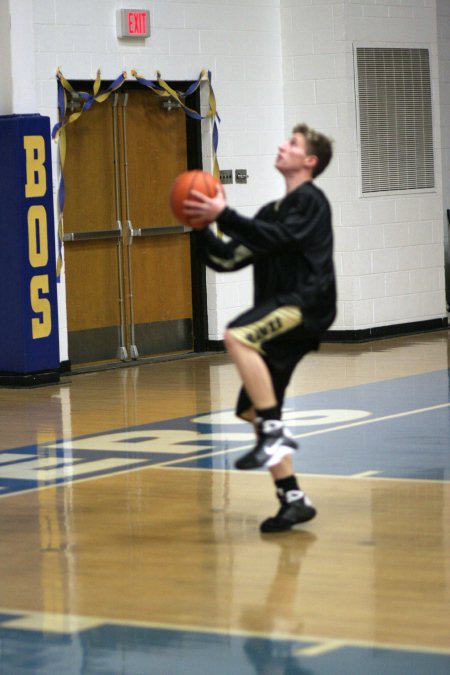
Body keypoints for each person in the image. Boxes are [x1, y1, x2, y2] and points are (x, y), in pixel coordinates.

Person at [183, 123, 336, 533]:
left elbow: (280, 238)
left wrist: (225, 214)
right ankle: (293, 497)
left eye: (292, 144)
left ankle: (272, 431)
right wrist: (200, 227)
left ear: (309, 161)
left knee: (236, 335)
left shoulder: (311, 201)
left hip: (306, 304)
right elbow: (228, 260)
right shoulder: (271, 213)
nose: (282, 145)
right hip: (282, 313)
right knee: (252, 407)